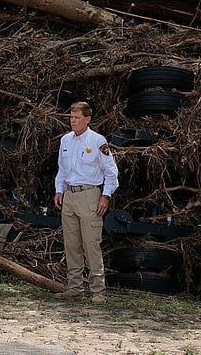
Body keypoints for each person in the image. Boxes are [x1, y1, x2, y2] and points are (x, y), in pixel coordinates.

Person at [53, 101, 119, 304]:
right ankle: (74, 288)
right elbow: (62, 169)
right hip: (69, 195)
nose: (73, 121)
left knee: (91, 244)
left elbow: (111, 172)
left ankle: (98, 290)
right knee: (71, 244)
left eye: (77, 118)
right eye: (71, 117)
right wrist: (59, 190)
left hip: (90, 194)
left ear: (87, 119)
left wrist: (105, 196)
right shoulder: (66, 140)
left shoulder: (98, 141)